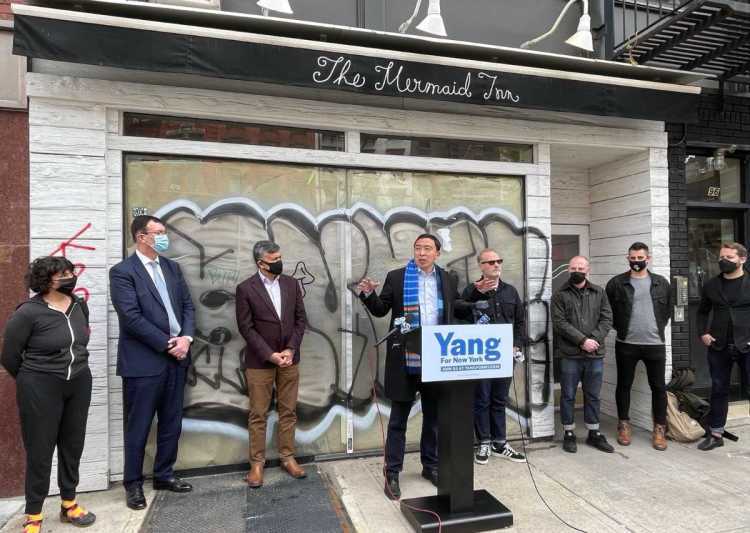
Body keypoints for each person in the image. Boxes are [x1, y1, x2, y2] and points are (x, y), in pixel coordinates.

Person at [357, 233, 470, 500]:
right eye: (417, 248)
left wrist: (476, 296)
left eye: (427, 248)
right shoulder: (397, 277)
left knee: (432, 418)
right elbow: (381, 309)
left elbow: (457, 309)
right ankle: (392, 473)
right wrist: (368, 294)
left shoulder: (448, 279)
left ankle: (430, 466)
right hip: (404, 356)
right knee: (398, 420)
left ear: (437, 253)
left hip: (437, 357)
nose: (421, 253)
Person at [1, 257, 95, 533]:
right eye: (62, 273)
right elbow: (9, 356)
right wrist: (34, 381)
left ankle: (69, 503)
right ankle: (33, 514)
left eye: (71, 272)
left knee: (72, 445)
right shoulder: (28, 312)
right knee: (40, 450)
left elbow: (79, 341)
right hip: (40, 386)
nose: (70, 276)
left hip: (78, 382)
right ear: (46, 279)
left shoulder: (79, 305)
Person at [110, 215, 196, 510]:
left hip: (178, 358)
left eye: (164, 232)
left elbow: (187, 305)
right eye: (158, 233)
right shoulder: (123, 272)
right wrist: (167, 343)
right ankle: (133, 485)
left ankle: (164, 475)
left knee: (171, 422)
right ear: (140, 237)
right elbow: (131, 318)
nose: (164, 237)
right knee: (139, 426)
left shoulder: (173, 268)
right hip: (144, 363)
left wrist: (186, 338)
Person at [235, 240, 307, 488]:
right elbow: (246, 327)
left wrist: (290, 349)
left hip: (290, 359)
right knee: (258, 414)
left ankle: (287, 457)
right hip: (260, 362)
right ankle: (257, 463)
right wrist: (269, 354)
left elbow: (300, 320)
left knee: (288, 411)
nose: (279, 262)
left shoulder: (291, 284)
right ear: (261, 263)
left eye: (280, 257)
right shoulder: (245, 289)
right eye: (274, 260)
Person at [461, 248, 526, 464]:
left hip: (505, 357)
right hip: (481, 356)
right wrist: (476, 292)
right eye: (490, 262)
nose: (496, 265)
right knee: (481, 400)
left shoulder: (510, 292)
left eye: (498, 261)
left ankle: (500, 442)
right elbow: (459, 314)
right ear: (480, 266)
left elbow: (520, 322)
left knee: (499, 399)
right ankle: (484, 443)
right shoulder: (471, 291)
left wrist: (516, 346)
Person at [606, 242, 671, 451]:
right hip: (626, 343)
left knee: (659, 388)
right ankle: (624, 424)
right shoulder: (616, 284)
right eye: (632, 259)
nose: (636, 262)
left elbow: (667, 310)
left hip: (655, 344)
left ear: (648, 258)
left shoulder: (661, 283)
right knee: (624, 385)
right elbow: (609, 312)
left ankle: (659, 428)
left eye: (639, 258)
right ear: (628, 258)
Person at [551, 255, 614, 454]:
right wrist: (582, 341)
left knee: (593, 395)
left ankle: (593, 432)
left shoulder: (599, 292)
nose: (577, 270)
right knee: (568, 394)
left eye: (580, 267)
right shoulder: (559, 295)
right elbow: (560, 323)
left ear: (588, 270)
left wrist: (593, 340)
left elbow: (607, 318)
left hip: (594, 354)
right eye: (573, 267)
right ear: (568, 270)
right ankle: (569, 432)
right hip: (570, 354)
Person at [695, 242, 750, 451]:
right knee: (719, 389)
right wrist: (703, 333)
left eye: (729, 257)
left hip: (747, 344)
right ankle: (716, 433)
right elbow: (702, 311)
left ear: (742, 259)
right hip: (719, 346)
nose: (723, 261)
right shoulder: (711, 285)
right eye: (721, 257)